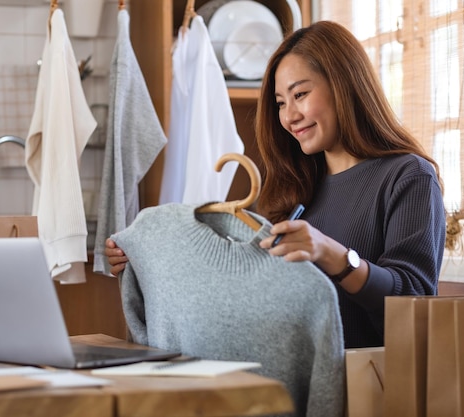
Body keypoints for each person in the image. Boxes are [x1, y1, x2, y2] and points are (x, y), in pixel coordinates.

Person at [105, 20, 446, 348]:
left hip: (366, 385)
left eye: (300, 94)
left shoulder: (408, 177)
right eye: (281, 103)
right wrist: (147, 259)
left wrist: (334, 255)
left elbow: (412, 302)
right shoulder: (293, 186)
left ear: (345, 85)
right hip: (290, 380)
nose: (288, 116)